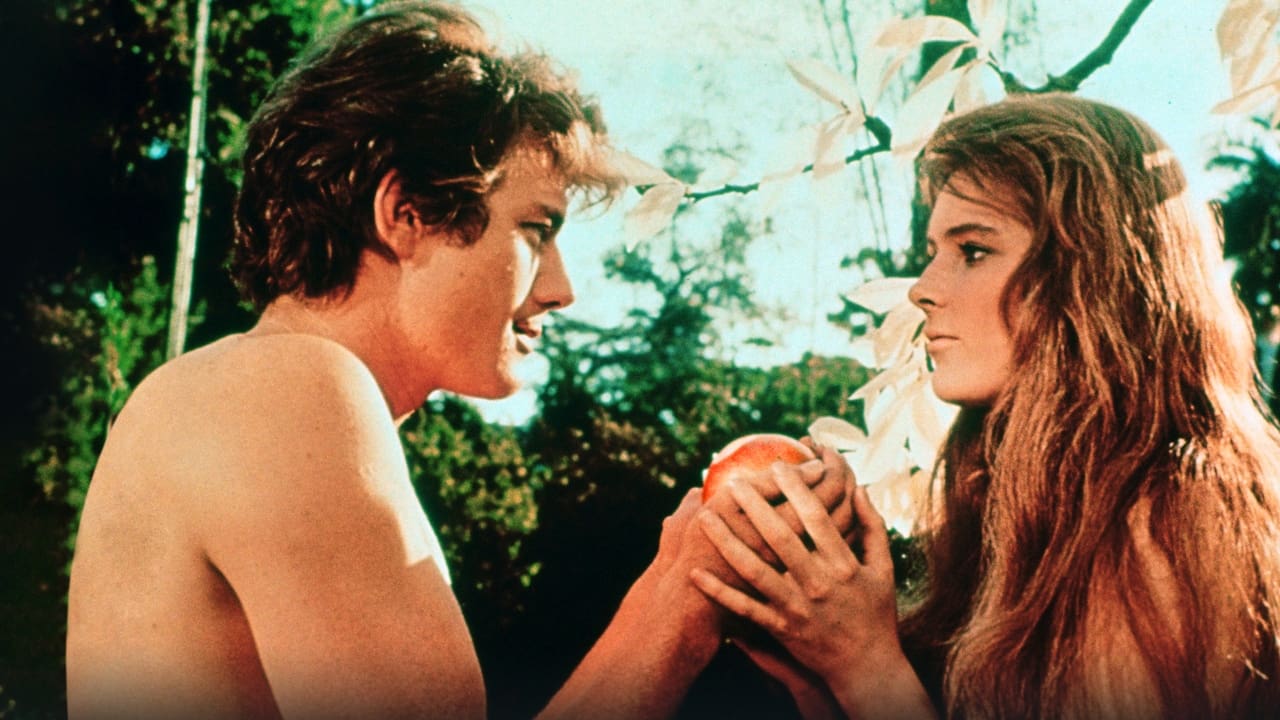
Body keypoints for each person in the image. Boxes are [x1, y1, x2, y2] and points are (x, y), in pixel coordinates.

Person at [64, 2, 858, 717]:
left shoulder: (226, 392)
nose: (563, 289)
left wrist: (684, 586)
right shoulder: (290, 388)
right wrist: (680, 609)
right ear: (405, 213)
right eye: (536, 230)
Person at [691, 93, 1280, 719]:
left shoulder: (1169, 512)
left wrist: (862, 661)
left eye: (972, 251)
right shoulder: (1029, 510)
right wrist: (820, 684)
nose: (922, 289)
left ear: (1091, 273)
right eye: (933, 253)